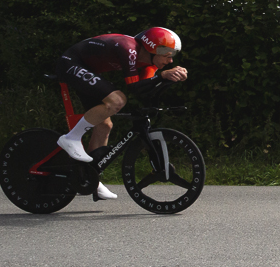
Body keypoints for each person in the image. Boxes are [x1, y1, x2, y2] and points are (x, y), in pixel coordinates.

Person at [53, 27, 188, 200]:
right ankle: (71, 138)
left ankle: (91, 177)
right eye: (167, 55)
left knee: (105, 124)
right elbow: (132, 87)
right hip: (70, 62)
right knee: (117, 100)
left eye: (172, 56)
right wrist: (162, 76)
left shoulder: (149, 62)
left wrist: (167, 79)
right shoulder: (129, 49)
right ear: (152, 49)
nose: (170, 61)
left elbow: (143, 89)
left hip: (88, 69)